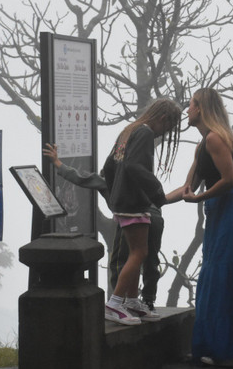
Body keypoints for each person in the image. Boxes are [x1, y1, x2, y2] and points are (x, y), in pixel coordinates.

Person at [43, 98, 182, 326]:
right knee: (138, 253)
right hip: (135, 202)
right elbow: (135, 167)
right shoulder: (145, 133)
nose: (165, 134)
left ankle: (131, 300)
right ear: (163, 119)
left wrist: (115, 189)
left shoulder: (129, 131)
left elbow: (109, 166)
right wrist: (157, 192)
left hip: (124, 201)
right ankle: (115, 303)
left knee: (140, 252)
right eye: (168, 128)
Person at [168, 88, 233, 367]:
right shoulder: (202, 144)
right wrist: (156, 202)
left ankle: (232, 349)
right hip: (219, 211)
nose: (187, 110)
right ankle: (218, 347)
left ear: (201, 108)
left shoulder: (216, 138)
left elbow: (229, 180)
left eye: (191, 105)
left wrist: (200, 199)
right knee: (217, 277)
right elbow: (187, 187)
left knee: (228, 277)